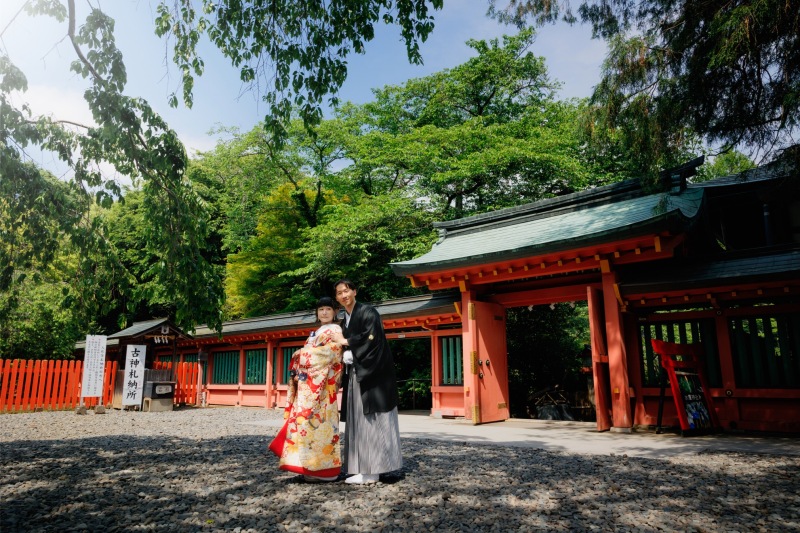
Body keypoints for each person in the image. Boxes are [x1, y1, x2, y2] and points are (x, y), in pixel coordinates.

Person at [331, 279, 403, 484]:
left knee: (373, 419)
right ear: (337, 297)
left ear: (354, 291)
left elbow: (373, 338)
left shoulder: (368, 312)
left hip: (374, 375)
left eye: (346, 291)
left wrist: (347, 344)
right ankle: (361, 467)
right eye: (339, 293)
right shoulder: (345, 319)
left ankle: (374, 470)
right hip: (357, 373)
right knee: (358, 419)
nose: (344, 295)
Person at [268, 297, 344, 482]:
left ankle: (327, 472)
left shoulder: (335, 330)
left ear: (335, 312)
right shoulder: (317, 332)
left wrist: (303, 353)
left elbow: (332, 352)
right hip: (310, 385)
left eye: (328, 309)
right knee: (306, 425)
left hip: (323, 387)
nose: (324, 312)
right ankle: (309, 467)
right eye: (321, 309)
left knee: (322, 426)